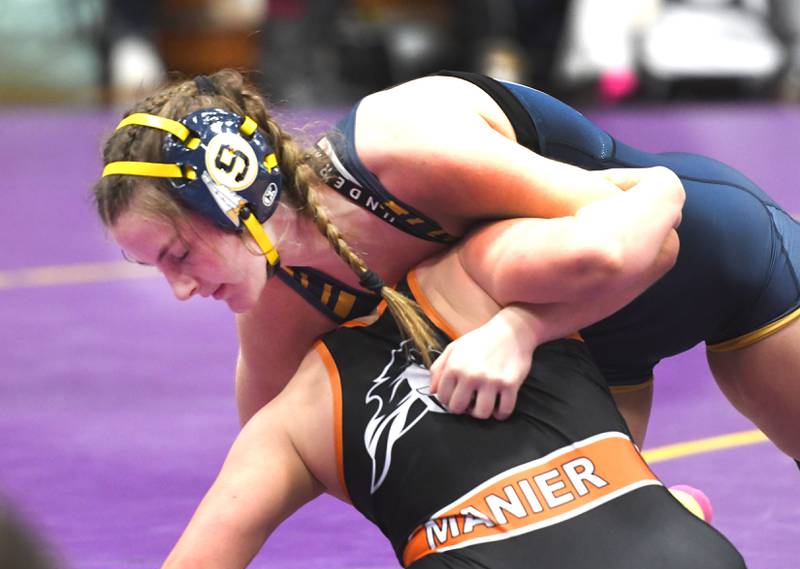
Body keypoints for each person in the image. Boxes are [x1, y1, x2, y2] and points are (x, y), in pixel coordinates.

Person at [94, 69, 800, 467]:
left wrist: (520, 331)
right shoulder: (279, 303)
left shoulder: (403, 148)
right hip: (598, 347)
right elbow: (266, 470)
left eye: (179, 254)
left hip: (714, 252)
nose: (181, 290)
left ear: (236, 186)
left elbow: (652, 231)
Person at [154, 214, 760, 569]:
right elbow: (653, 232)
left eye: (176, 257)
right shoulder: (484, 270)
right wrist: (524, 326)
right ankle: (661, 507)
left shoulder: (285, 420)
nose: (180, 288)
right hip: (679, 556)